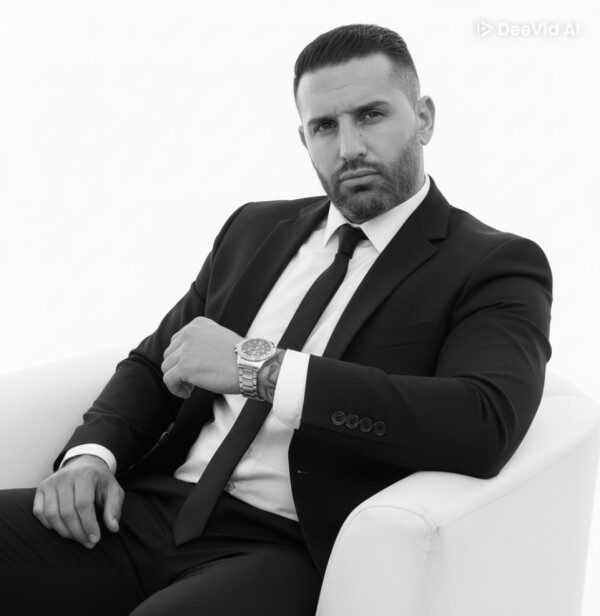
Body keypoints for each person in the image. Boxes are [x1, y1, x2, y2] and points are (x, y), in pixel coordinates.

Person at [0, 23, 552, 616]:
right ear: (303, 138)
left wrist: (258, 369)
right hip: (149, 510)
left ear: (423, 118)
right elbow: (156, 363)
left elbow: (482, 422)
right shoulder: (255, 228)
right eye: (324, 126)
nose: (349, 148)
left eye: (370, 115)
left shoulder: (493, 263)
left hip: (287, 546)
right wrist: (91, 456)